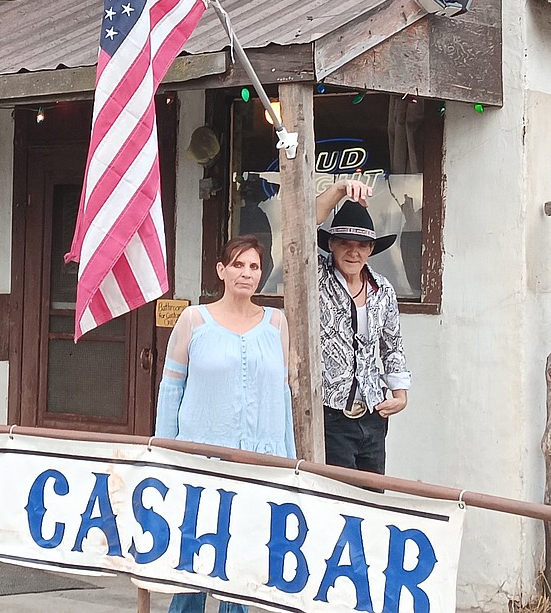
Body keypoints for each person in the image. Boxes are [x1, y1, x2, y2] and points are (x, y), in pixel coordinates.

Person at [155, 235, 295, 613]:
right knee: (194, 562)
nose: (245, 273)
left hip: (257, 464)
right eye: (238, 264)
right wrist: (164, 456)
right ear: (221, 270)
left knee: (242, 567)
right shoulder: (194, 320)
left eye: (253, 267)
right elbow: (171, 391)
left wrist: (288, 462)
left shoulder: (276, 324)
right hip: (201, 464)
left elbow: (282, 396)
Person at [315, 179, 411, 474]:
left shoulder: (383, 289)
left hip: (372, 412)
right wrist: (340, 189)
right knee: (335, 499)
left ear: (371, 249)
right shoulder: (316, 277)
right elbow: (301, 225)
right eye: (345, 243)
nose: (353, 252)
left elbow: (392, 345)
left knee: (372, 499)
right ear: (331, 244)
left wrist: (400, 393)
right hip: (329, 412)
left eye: (361, 245)